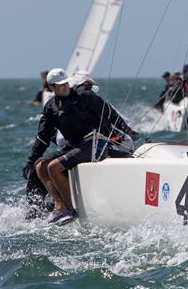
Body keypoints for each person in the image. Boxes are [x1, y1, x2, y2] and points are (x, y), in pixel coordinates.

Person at [23, 68, 139, 225]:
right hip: (74, 145)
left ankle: (71, 209)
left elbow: (109, 112)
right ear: (52, 87)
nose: (64, 87)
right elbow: (43, 137)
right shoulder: (51, 107)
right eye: (59, 85)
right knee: (40, 166)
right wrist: (31, 160)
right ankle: (60, 207)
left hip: (94, 143)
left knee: (53, 167)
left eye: (65, 83)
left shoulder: (83, 95)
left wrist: (127, 130)